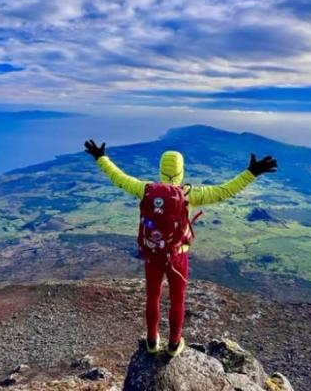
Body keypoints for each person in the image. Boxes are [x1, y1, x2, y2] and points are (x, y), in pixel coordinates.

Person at [83, 139, 278, 357]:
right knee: (177, 299)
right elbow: (225, 191)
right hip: (178, 256)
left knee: (153, 297)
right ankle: (174, 344)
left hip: (153, 254)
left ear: (161, 170)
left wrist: (101, 158)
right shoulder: (190, 194)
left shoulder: (145, 190)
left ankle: (151, 341)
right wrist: (251, 173)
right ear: (181, 172)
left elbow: (119, 178)